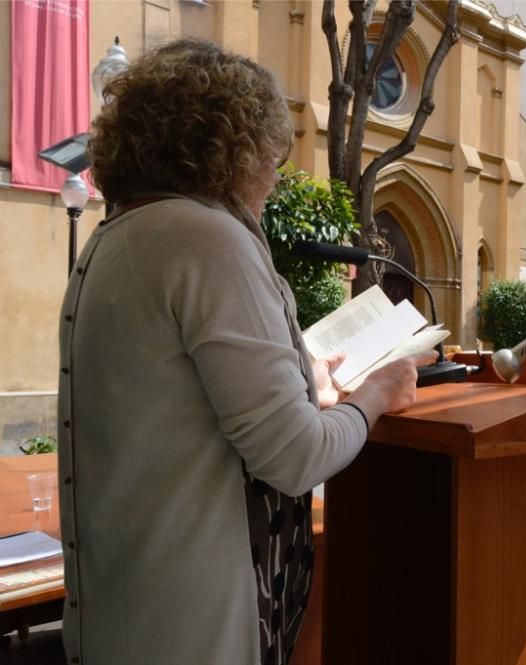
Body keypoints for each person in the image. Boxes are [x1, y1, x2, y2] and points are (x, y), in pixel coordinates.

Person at [58, 39, 437, 665]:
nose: (274, 176)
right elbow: (296, 457)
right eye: (272, 158)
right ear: (233, 150)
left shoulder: (116, 238)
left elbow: (173, 410)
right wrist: (377, 394)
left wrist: (303, 385)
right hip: (195, 621)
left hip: (126, 606)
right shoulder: (208, 240)